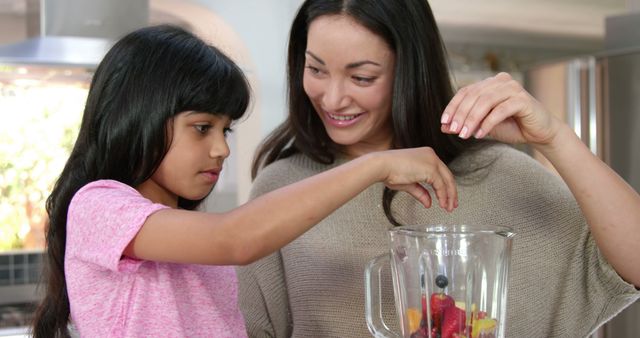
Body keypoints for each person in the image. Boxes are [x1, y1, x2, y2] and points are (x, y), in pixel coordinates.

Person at [236, 0, 640, 337]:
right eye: (316, 69)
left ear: (409, 72)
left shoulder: (502, 174)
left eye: (362, 76)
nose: (333, 97)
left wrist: (554, 136)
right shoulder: (282, 185)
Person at [29, 24, 459, 338]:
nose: (222, 149)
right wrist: (374, 166)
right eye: (202, 128)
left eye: (226, 129)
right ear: (138, 116)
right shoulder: (98, 206)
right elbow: (234, 239)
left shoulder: (186, 245)